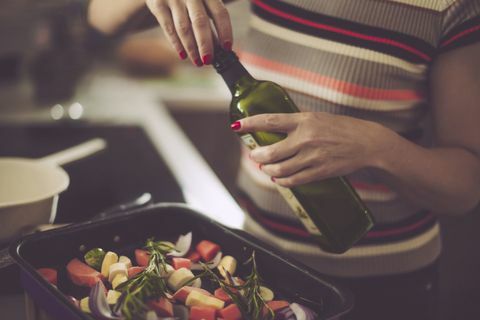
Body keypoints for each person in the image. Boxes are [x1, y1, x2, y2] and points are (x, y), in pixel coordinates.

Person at [88, 1, 480, 319]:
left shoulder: (449, 8)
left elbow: (466, 185)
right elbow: (100, 16)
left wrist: (375, 145)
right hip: (261, 269)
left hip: (384, 289)